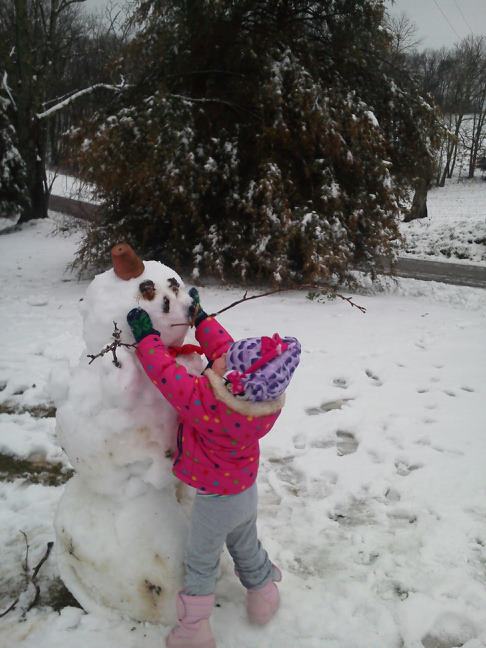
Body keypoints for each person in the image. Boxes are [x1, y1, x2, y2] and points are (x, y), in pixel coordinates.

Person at [127, 289, 301, 648]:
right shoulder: (256, 400)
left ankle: (194, 629)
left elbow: (165, 374)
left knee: (200, 562)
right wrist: (202, 319)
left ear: (232, 384)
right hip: (244, 491)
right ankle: (264, 593)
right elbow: (225, 349)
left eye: (223, 364)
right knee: (245, 545)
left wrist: (147, 339)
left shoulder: (207, 404)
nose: (216, 360)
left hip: (215, 501)